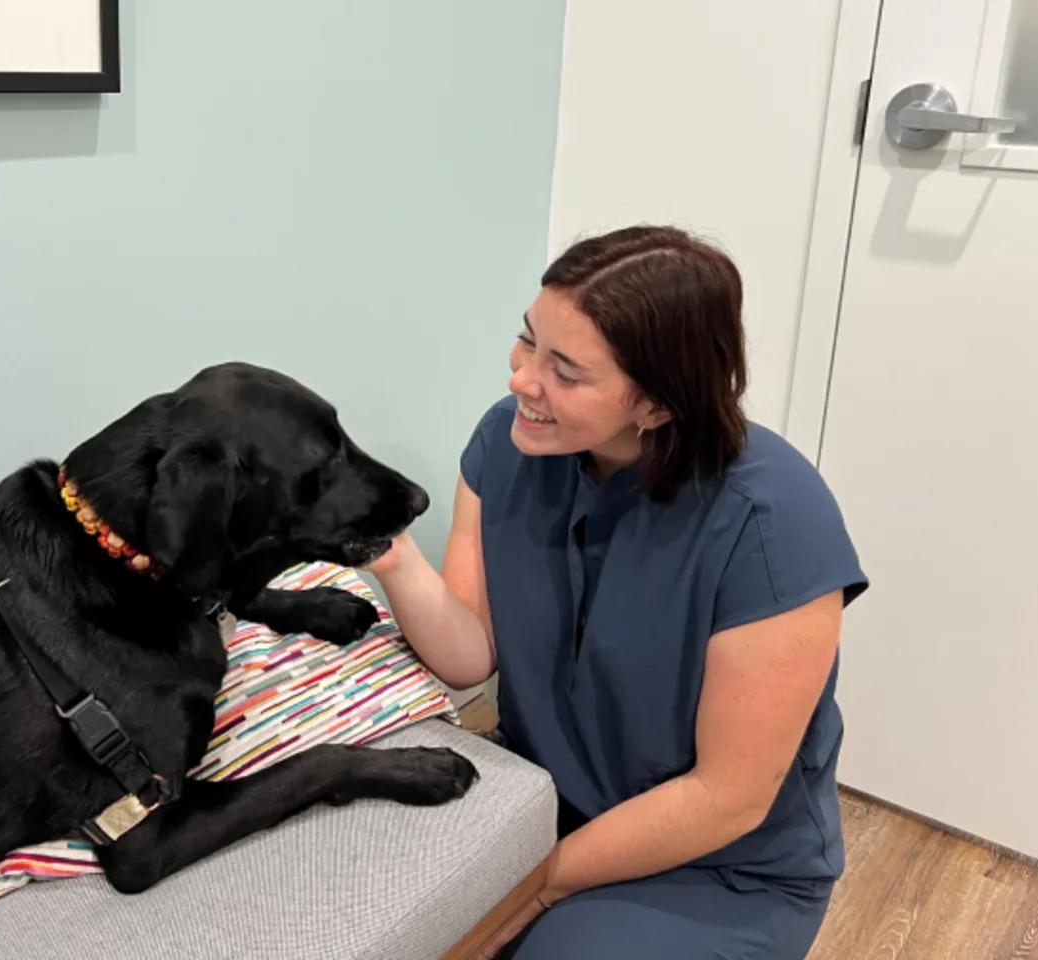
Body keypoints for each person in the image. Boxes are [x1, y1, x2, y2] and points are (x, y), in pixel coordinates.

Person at [363, 225, 868, 959]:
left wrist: (534, 884)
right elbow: (470, 657)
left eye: (565, 372)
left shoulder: (773, 524)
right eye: (526, 340)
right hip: (544, 798)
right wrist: (391, 554)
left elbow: (726, 797)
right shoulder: (509, 444)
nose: (520, 380)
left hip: (720, 867)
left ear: (657, 405)